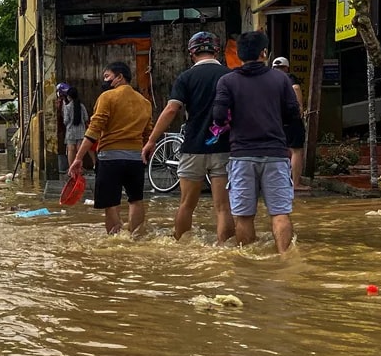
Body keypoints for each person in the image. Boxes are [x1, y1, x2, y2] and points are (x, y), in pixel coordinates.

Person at [212, 31, 303, 254]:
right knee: (280, 213)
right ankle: (284, 260)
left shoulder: (227, 81)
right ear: (264, 53)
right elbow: (293, 114)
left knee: (243, 216)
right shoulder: (281, 79)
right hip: (275, 154)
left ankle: (248, 266)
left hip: (242, 155)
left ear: (239, 55)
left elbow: (218, 117)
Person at [142, 31, 234, 243]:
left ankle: (181, 248)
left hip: (193, 147)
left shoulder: (186, 78)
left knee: (186, 204)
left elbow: (171, 110)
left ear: (191, 53)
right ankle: (225, 251)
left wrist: (151, 140)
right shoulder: (229, 76)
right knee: (223, 207)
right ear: (216, 51)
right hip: (223, 148)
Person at [68, 61, 153, 235]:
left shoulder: (107, 97)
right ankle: (136, 239)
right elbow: (148, 135)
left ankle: (115, 241)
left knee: (110, 203)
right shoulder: (144, 102)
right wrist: (144, 155)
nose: (105, 80)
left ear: (119, 77)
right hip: (135, 159)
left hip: (110, 159)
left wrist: (78, 158)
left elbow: (93, 131)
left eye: (107, 76)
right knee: (136, 200)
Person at [271, 56, 310, 191]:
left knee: (281, 150)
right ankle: (296, 183)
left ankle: (280, 182)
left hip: (275, 120)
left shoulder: (269, 79)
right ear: (286, 67)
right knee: (296, 151)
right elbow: (296, 88)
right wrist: (300, 107)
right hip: (291, 120)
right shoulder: (289, 77)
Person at [59, 83, 96, 171]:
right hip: (81, 131)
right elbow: (86, 118)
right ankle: (79, 170)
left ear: (69, 97)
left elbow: (66, 121)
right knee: (79, 151)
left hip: (70, 132)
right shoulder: (81, 106)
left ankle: (71, 169)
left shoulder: (67, 107)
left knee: (71, 150)